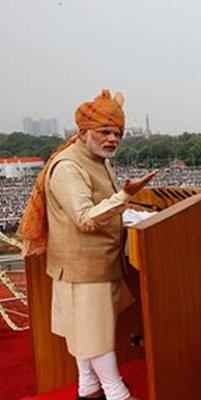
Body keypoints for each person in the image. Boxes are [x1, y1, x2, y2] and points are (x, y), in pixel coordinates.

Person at [21, 89, 157, 400]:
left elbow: (101, 205)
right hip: (83, 269)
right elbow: (84, 217)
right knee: (94, 336)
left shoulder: (98, 159)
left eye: (117, 133)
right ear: (83, 132)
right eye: (105, 131)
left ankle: (89, 388)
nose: (112, 139)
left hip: (98, 263)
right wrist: (125, 197)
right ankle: (116, 393)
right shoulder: (68, 167)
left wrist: (128, 209)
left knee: (86, 333)